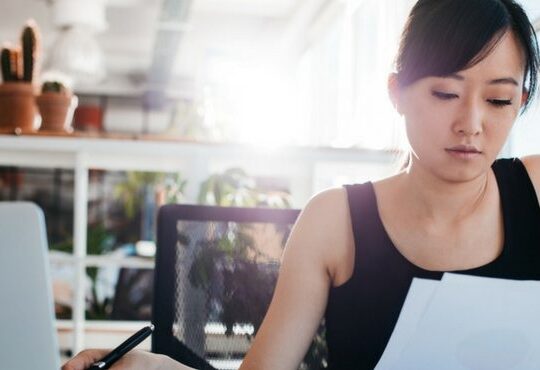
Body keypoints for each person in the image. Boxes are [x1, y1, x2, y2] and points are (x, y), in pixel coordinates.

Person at [62, 0, 540, 369]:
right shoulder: (335, 220)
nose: (471, 123)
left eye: (498, 100)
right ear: (396, 92)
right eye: (445, 93)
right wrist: (152, 365)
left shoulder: (535, 189)